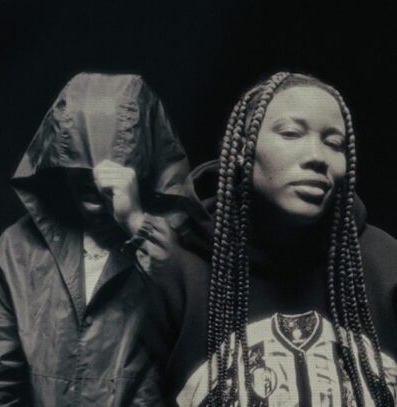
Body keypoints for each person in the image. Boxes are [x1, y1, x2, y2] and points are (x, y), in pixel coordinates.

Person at [143, 72, 397, 406]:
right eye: (291, 133)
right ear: (242, 148)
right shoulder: (172, 265)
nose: (317, 156)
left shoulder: (385, 263)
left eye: (335, 144)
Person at [0, 72, 192, 406]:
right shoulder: (16, 250)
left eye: (112, 163)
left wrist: (137, 224)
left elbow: (197, 327)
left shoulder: (180, 245)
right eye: (78, 163)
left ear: (141, 161)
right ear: (57, 159)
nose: (94, 176)